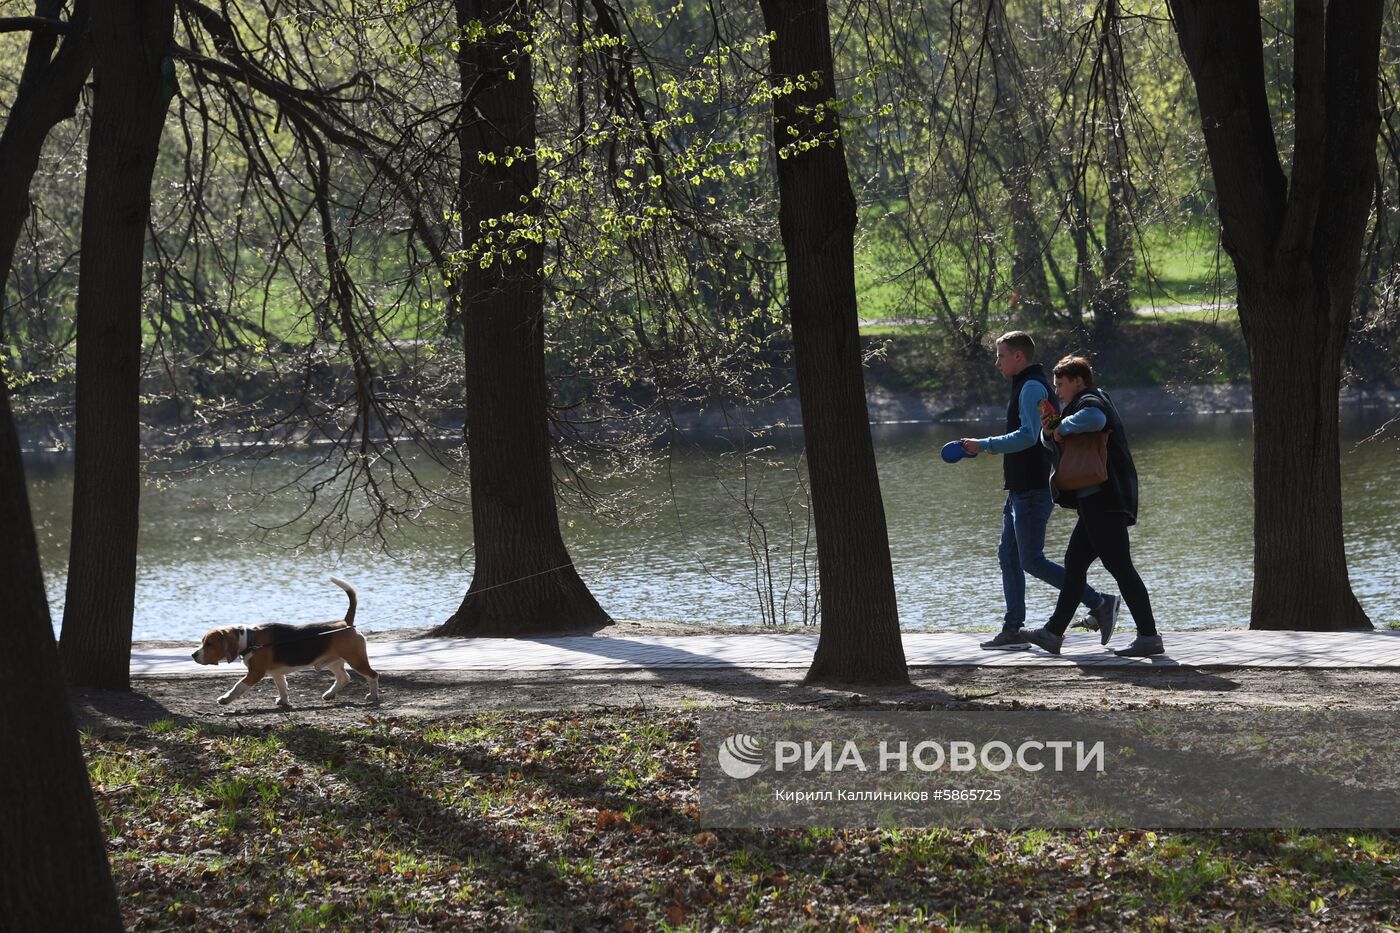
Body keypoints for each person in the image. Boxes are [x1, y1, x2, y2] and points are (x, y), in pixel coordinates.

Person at [958, 332, 1119, 650]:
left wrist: (983, 445)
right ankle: (1013, 630)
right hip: (1019, 489)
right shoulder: (1027, 385)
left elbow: (1029, 436)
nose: (997, 362)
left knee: (1030, 559)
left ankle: (1099, 602)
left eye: (1001, 355)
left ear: (1019, 357)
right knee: (1008, 556)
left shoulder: (1031, 386)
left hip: (1031, 489)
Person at [1019, 355, 1164, 657]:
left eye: (1061, 384)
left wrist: (1061, 425)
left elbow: (1096, 420)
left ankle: (1149, 636)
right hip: (1093, 502)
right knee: (1074, 565)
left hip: (1104, 500)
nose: (1057, 391)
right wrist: (1051, 431)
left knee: (1120, 567)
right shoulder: (1080, 404)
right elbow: (1059, 442)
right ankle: (1053, 633)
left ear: (1078, 381)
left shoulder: (1091, 400)